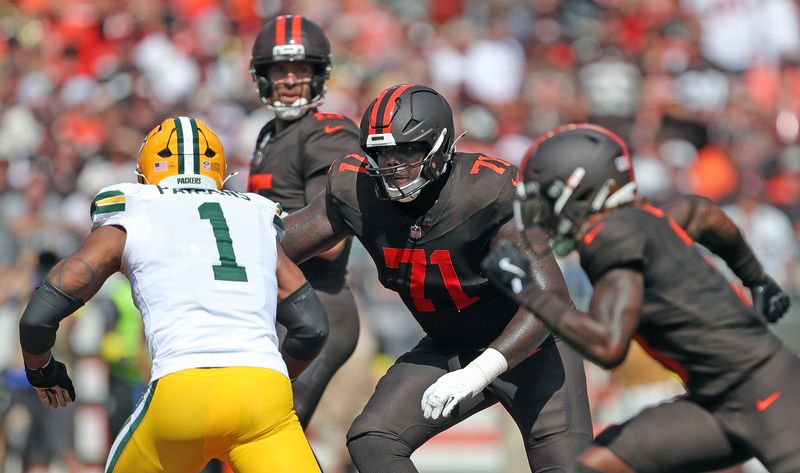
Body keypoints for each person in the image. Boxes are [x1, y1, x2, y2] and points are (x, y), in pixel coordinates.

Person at [282, 84, 593, 473]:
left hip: (532, 345)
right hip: (449, 346)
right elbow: (279, 245)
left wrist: (479, 372)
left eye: (407, 151)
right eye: (382, 153)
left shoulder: (488, 190)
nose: (393, 165)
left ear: (440, 146)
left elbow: (551, 298)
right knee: (374, 439)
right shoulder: (356, 189)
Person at [482, 123, 797, 473]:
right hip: (720, 399)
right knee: (598, 466)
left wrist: (528, 291)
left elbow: (608, 346)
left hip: (766, 392)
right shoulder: (644, 217)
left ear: (578, 190)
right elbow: (704, 214)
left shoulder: (609, 236)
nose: (543, 214)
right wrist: (756, 279)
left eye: (546, 197)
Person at [18, 116, 327, 473]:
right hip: (264, 392)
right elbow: (312, 326)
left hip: (182, 391)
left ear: (145, 173)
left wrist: (41, 370)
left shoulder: (136, 206)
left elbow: (39, 316)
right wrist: (261, 379)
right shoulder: (255, 212)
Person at [248, 14, 362, 429]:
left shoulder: (327, 133)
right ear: (263, 75)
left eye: (301, 69)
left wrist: (244, 244)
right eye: (280, 69)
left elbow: (329, 238)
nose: (291, 80)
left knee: (274, 426)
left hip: (317, 305)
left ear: (319, 74)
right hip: (279, 304)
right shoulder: (269, 134)